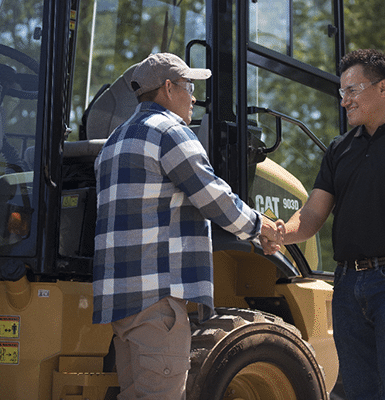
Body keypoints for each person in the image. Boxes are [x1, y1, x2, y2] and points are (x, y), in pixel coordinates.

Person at [92, 52, 283, 400]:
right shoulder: (169, 131)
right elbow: (213, 196)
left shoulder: (113, 141)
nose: (194, 96)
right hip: (157, 297)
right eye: (189, 86)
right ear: (168, 87)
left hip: (121, 302)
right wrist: (262, 228)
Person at [275, 49, 385, 399]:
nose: (344, 101)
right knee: (360, 391)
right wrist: (282, 233)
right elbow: (312, 215)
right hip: (346, 285)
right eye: (342, 93)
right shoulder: (339, 149)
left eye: (352, 90)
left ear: (383, 87)